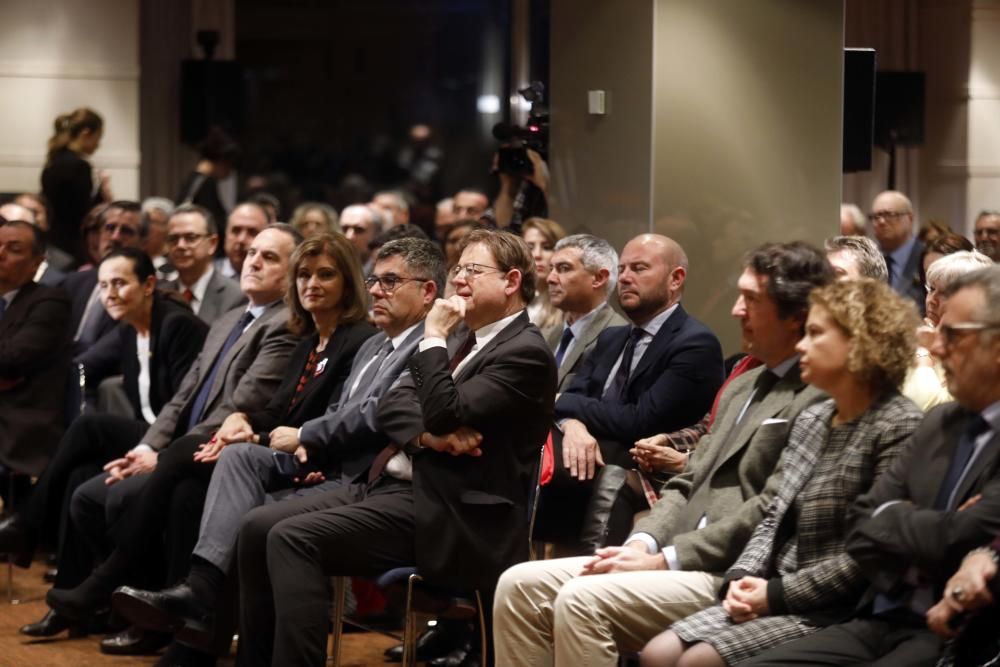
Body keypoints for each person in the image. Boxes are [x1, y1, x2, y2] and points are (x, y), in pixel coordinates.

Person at [493, 241, 833, 666]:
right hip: (671, 551)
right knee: (517, 584)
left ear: (796, 313)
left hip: (733, 569)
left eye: (751, 299)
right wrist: (642, 541)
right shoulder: (743, 385)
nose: (736, 311)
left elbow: (769, 510)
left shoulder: (820, 394)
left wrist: (663, 559)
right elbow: (687, 481)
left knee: (582, 599)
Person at [111, 237, 443, 662]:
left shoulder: (425, 345)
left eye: (390, 281)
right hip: (328, 463)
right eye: (374, 280)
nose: (376, 289)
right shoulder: (376, 343)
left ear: (429, 291)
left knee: (251, 521)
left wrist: (307, 436)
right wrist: (251, 424)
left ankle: (199, 631)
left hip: (368, 479)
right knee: (235, 458)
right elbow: (332, 410)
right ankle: (200, 589)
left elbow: (378, 417)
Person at [234, 228, 557, 666]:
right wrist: (425, 436)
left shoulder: (524, 353)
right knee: (255, 527)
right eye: (458, 269)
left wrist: (433, 336)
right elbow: (394, 405)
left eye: (473, 270)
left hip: (452, 513)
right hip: (396, 489)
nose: (459, 278)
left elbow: (444, 409)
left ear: (511, 281)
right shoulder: (463, 339)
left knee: (294, 539)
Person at [641, 279, 923, 667]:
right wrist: (741, 578)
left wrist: (774, 594)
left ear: (862, 342)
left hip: (836, 606)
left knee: (697, 661)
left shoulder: (897, 425)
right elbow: (774, 513)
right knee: (658, 653)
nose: (802, 346)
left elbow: (866, 559)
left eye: (815, 334)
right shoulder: (815, 417)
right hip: (770, 585)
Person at [37, 225, 302, 631]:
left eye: (269, 257)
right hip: (183, 444)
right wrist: (147, 448)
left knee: (131, 498)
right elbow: (182, 396)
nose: (253, 262)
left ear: (293, 270)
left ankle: (129, 606)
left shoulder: (285, 324)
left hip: (220, 448)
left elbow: (240, 406)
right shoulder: (230, 318)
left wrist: (166, 456)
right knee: (88, 488)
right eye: (251, 253)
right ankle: (112, 603)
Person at [738, 265, 1000, 667]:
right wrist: (929, 528)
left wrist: (898, 518)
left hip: (956, 630)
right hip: (879, 612)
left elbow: (967, 534)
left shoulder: (903, 419)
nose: (938, 348)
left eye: (953, 335)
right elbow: (860, 525)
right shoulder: (940, 421)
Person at [0, 247, 207, 637]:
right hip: (147, 436)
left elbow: (188, 408)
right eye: (103, 285)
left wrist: (154, 452)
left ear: (148, 285)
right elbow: (79, 364)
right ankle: (68, 604)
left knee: (88, 428)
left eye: (120, 283)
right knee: (80, 472)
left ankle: (28, 524)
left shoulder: (178, 325)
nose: (109, 293)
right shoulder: (128, 329)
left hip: (174, 444)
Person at [537, 234, 724, 553]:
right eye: (622, 269)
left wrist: (564, 404)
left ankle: (584, 580)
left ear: (675, 279)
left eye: (638, 268)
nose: (624, 277)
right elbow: (570, 402)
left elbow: (639, 421)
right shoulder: (612, 338)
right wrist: (574, 425)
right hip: (592, 453)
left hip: (646, 463)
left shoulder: (695, 343)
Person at [0, 219, 71, 483]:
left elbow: (11, 359)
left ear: (36, 263)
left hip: (19, 419)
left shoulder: (49, 301)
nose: (0, 254)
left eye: (13, 248)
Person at [545, 234, 627, 392]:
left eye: (564, 268)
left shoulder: (620, 337)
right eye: (551, 269)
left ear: (598, 278)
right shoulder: (544, 336)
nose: (550, 278)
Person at [40, 107, 111, 259]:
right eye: (98, 137)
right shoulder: (79, 166)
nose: (99, 144)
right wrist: (102, 190)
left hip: (53, 241)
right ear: (86, 134)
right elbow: (85, 212)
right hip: (72, 246)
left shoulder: (53, 160)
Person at [159, 205, 246, 324]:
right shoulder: (159, 296)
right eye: (173, 239)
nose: (180, 245)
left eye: (191, 237)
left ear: (212, 244)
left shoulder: (236, 297)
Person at [176, 128, 239, 238]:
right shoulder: (206, 184)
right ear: (221, 161)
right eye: (229, 164)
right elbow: (217, 224)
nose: (229, 170)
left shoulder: (193, 180)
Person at [869, 190, 925, 312]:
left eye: (889, 215)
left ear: (910, 218)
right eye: (876, 216)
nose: (881, 221)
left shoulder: (926, 256)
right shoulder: (868, 259)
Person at [522, 217, 567, 337]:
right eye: (530, 247)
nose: (537, 255)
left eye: (546, 247)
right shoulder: (512, 299)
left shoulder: (567, 306)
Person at [216, 202, 269, 280]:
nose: (241, 239)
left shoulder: (274, 281)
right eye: (236, 231)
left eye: (252, 232)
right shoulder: (205, 276)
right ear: (226, 234)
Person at [340, 204, 384, 270]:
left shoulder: (385, 271)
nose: (348, 237)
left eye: (359, 230)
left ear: (376, 234)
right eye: (345, 229)